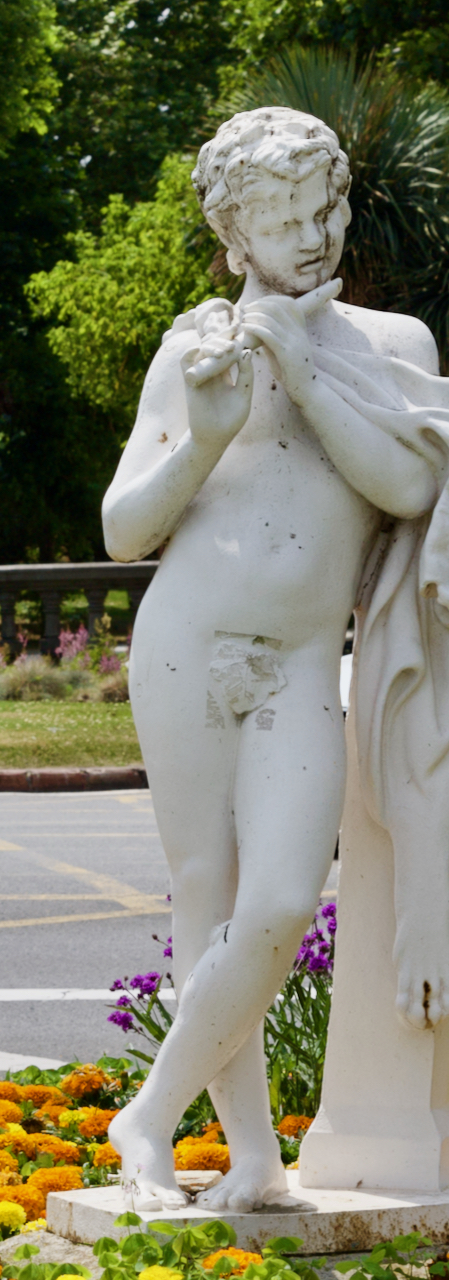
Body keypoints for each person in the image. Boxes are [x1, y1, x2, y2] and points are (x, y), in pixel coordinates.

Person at [102, 107, 446, 1213]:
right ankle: (251, 1157)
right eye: (281, 222)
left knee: (282, 901)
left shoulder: (390, 347)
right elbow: (123, 526)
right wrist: (202, 435)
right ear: (233, 238)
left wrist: (300, 369)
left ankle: (146, 1114)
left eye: (323, 210)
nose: (311, 237)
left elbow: (404, 486)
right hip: (188, 646)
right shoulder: (194, 344)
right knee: (205, 899)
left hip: (302, 661)